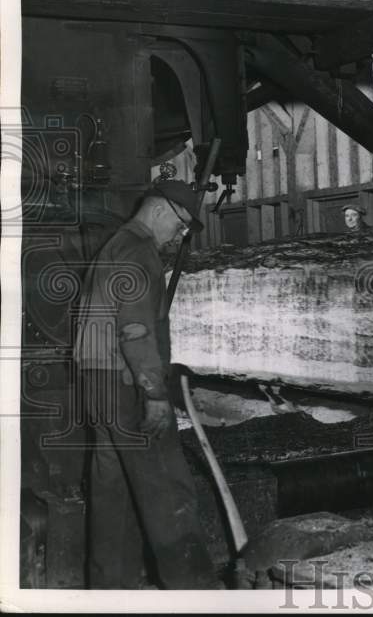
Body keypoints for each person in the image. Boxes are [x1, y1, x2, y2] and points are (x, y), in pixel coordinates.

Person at [73, 180, 220, 589]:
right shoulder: (138, 251)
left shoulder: (112, 247)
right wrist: (155, 393)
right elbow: (135, 331)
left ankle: (110, 593)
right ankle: (196, 593)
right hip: (127, 385)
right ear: (159, 212)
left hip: (97, 385)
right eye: (179, 227)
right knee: (167, 489)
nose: (177, 238)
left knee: (113, 495)